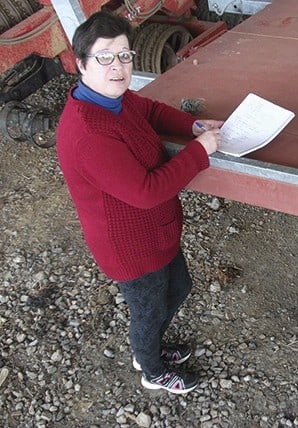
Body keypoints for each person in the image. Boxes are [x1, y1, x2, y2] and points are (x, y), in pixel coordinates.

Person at [56, 10, 223, 394]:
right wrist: (199, 151)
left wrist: (192, 126)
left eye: (125, 56)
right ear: (81, 64)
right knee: (148, 312)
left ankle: (150, 350)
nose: (118, 67)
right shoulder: (89, 133)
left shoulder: (112, 99)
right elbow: (145, 192)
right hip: (130, 248)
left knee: (177, 289)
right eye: (105, 57)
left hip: (154, 235)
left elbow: (147, 109)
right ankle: (151, 368)